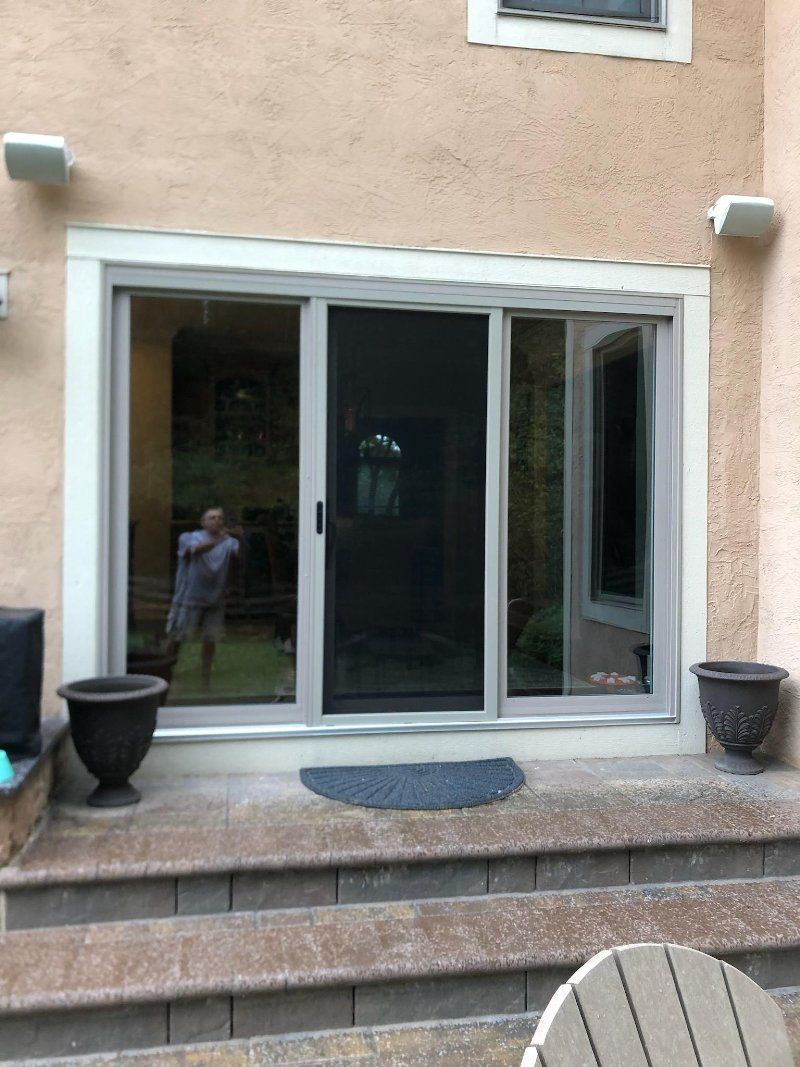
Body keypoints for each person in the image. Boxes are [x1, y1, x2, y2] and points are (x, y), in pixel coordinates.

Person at [165, 508, 243, 689]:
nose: (217, 520)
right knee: (177, 638)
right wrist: (221, 538)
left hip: (214, 600)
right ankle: (165, 673)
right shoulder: (188, 537)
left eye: (220, 518)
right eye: (212, 517)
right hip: (188, 598)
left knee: (210, 640)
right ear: (203, 522)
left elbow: (240, 556)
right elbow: (195, 551)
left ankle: (205, 680)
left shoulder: (229, 541)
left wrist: (241, 537)